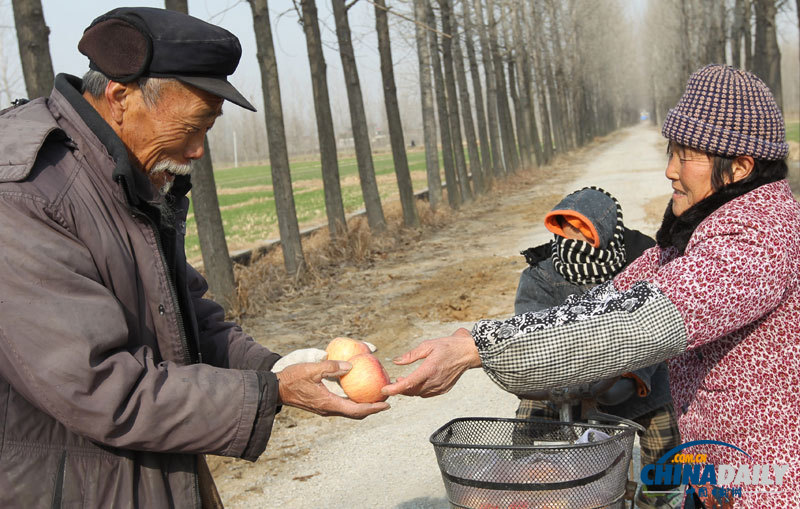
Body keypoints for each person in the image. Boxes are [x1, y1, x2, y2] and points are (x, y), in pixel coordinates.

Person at [0, 8, 386, 507]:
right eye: (194, 125)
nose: (200, 150)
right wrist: (270, 393)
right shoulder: (24, 194)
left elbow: (183, 317)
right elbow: (97, 385)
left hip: (151, 472)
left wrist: (276, 366)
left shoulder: (117, 172)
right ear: (121, 98)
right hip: (72, 487)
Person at [383, 65, 799, 508]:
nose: (670, 171)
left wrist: (479, 350)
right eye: (670, 151)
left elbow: (633, 324)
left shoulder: (755, 239)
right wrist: (475, 338)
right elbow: (609, 302)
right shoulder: (707, 227)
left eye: (686, 155)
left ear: (739, 166)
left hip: (766, 484)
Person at [514, 186, 681, 508]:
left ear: (604, 232)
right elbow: (530, 334)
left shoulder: (641, 266)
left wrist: (632, 375)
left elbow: (654, 328)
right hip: (562, 380)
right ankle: (531, 491)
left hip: (632, 374)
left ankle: (659, 500)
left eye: (581, 229)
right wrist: (556, 379)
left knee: (665, 433)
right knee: (525, 425)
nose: (571, 237)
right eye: (564, 228)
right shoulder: (540, 276)